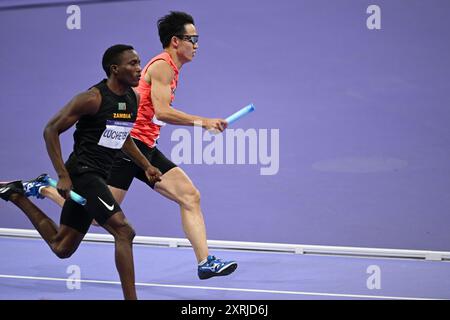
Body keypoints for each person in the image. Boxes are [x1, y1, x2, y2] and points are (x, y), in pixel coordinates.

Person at [19, 11, 238, 280]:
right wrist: (203, 121)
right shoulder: (162, 66)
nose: (197, 44)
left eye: (197, 39)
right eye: (192, 38)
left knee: (190, 196)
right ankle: (46, 187)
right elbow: (162, 111)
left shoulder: (172, 69)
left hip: (146, 148)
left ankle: (205, 262)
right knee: (100, 218)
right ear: (175, 41)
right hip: (127, 148)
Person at [0, 44, 162, 300]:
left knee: (62, 247)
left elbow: (122, 136)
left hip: (100, 173)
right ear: (115, 69)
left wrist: (146, 165)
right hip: (84, 173)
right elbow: (50, 130)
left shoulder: (132, 98)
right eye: (132, 63)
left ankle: (15, 195)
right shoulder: (92, 98)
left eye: (139, 62)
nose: (139, 68)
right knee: (124, 231)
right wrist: (63, 175)